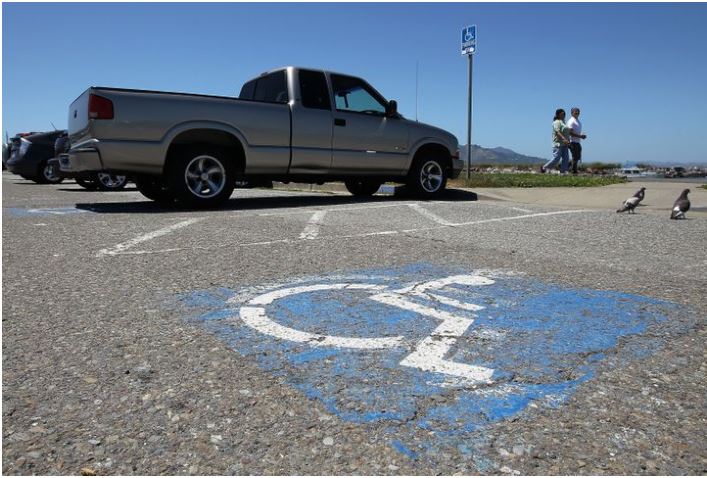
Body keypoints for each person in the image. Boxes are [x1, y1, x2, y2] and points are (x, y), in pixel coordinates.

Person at [541, 109, 571, 173]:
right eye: (562, 114)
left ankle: (563, 172)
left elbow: (566, 132)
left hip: (565, 144)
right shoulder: (556, 122)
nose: (564, 115)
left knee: (566, 159)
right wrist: (564, 139)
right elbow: (557, 132)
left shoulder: (563, 122)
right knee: (556, 158)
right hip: (558, 144)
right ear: (558, 114)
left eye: (564, 114)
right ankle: (544, 168)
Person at [566, 107, 587, 174]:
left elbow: (576, 131)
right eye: (575, 112)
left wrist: (581, 135)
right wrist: (580, 136)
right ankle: (574, 171)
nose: (577, 113)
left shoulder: (577, 121)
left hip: (577, 141)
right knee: (575, 156)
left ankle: (566, 166)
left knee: (577, 157)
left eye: (578, 112)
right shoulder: (571, 121)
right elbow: (570, 132)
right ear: (572, 113)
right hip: (572, 141)